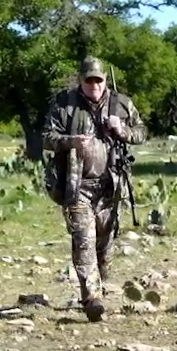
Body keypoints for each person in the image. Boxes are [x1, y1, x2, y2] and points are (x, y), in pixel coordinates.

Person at [40, 56, 146, 322]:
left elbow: (142, 133)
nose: (94, 85)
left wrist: (122, 130)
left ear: (105, 80)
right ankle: (92, 298)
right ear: (81, 80)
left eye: (98, 80)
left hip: (111, 187)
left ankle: (101, 284)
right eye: (89, 80)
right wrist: (71, 141)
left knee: (105, 245)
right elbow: (46, 137)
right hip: (77, 186)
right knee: (83, 240)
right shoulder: (64, 105)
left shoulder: (121, 103)